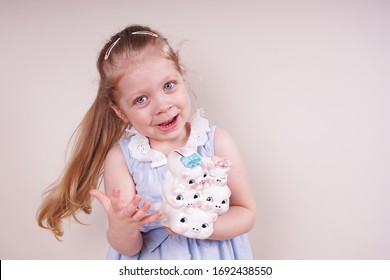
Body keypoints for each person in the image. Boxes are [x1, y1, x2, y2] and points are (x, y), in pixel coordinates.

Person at [37, 24, 256, 259]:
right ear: (120, 111)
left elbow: (246, 212)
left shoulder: (216, 142)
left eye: (169, 86)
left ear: (182, 77)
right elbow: (127, 247)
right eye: (141, 99)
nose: (162, 106)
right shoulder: (122, 159)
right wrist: (123, 227)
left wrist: (199, 227)